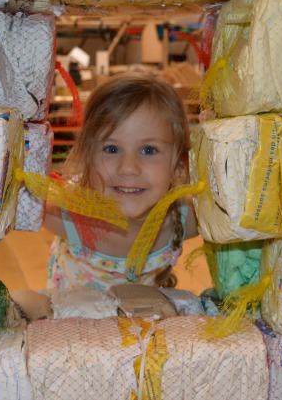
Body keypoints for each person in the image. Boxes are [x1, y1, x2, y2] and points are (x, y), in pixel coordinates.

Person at [44, 73, 198, 290]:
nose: (128, 167)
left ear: (179, 167)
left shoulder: (185, 219)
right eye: (112, 149)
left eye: (148, 150)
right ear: (87, 158)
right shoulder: (64, 215)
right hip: (75, 322)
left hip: (143, 322)